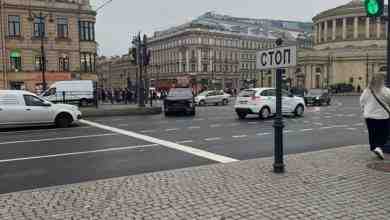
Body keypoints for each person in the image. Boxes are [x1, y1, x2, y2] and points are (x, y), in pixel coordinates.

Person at [360, 73, 390, 160]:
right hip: (383, 116)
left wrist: (365, 110)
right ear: (382, 81)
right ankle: (379, 147)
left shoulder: (367, 90)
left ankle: (375, 148)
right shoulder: (386, 91)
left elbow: (361, 101)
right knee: (384, 134)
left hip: (369, 116)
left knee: (372, 134)